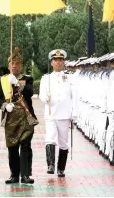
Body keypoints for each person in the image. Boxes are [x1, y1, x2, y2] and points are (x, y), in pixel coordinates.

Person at [0, 47, 37, 184]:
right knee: (12, 146)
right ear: (8, 65)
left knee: (25, 145)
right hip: (10, 117)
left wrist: (17, 84)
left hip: (26, 116)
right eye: (12, 63)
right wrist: (5, 106)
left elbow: (30, 93)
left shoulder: (27, 79)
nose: (15, 66)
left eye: (17, 63)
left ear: (21, 65)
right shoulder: (3, 80)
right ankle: (14, 174)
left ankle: (25, 175)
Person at [39, 49, 75, 177]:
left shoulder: (70, 77)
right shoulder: (46, 78)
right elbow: (41, 95)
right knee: (50, 138)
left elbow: (74, 96)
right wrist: (45, 99)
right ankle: (51, 165)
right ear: (51, 62)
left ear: (64, 62)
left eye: (60, 60)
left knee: (64, 142)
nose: (58, 62)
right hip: (51, 113)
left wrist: (74, 113)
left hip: (64, 114)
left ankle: (61, 168)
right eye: (56, 60)